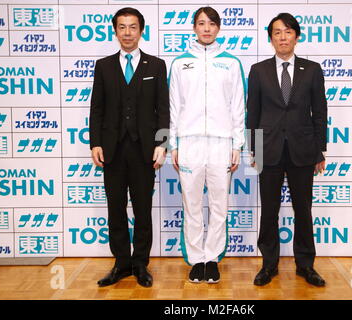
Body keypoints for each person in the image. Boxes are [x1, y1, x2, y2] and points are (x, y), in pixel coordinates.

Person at [89, 7, 169, 288]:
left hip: (145, 150)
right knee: (115, 208)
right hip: (111, 149)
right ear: (115, 31)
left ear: (141, 30)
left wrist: (162, 143)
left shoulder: (156, 65)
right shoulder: (104, 65)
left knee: (143, 208)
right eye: (122, 27)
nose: (127, 33)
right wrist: (95, 143)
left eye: (132, 27)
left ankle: (141, 264)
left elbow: (163, 110)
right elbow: (96, 108)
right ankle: (121, 263)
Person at [247, 13, 327, 287]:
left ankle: (306, 265)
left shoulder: (312, 69)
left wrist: (320, 151)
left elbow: (320, 113)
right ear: (271, 38)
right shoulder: (258, 70)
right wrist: (254, 150)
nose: (282, 37)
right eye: (277, 33)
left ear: (297, 36)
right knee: (269, 210)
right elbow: (253, 113)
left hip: (302, 151)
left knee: (303, 210)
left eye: (288, 32)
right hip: (267, 151)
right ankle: (268, 265)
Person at [168, 6, 245, 284]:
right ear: (194, 27)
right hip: (188, 143)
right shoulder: (179, 64)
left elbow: (238, 106)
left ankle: (212, 259)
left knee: (218, 204)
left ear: (219, 27)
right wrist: (172, 144)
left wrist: (238, 144)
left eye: (211, 23)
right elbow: (173, 106)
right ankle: (196, 258)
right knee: (191, 204)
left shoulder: (232, 63)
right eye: (201, 23)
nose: (206, 28)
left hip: (222, 143)